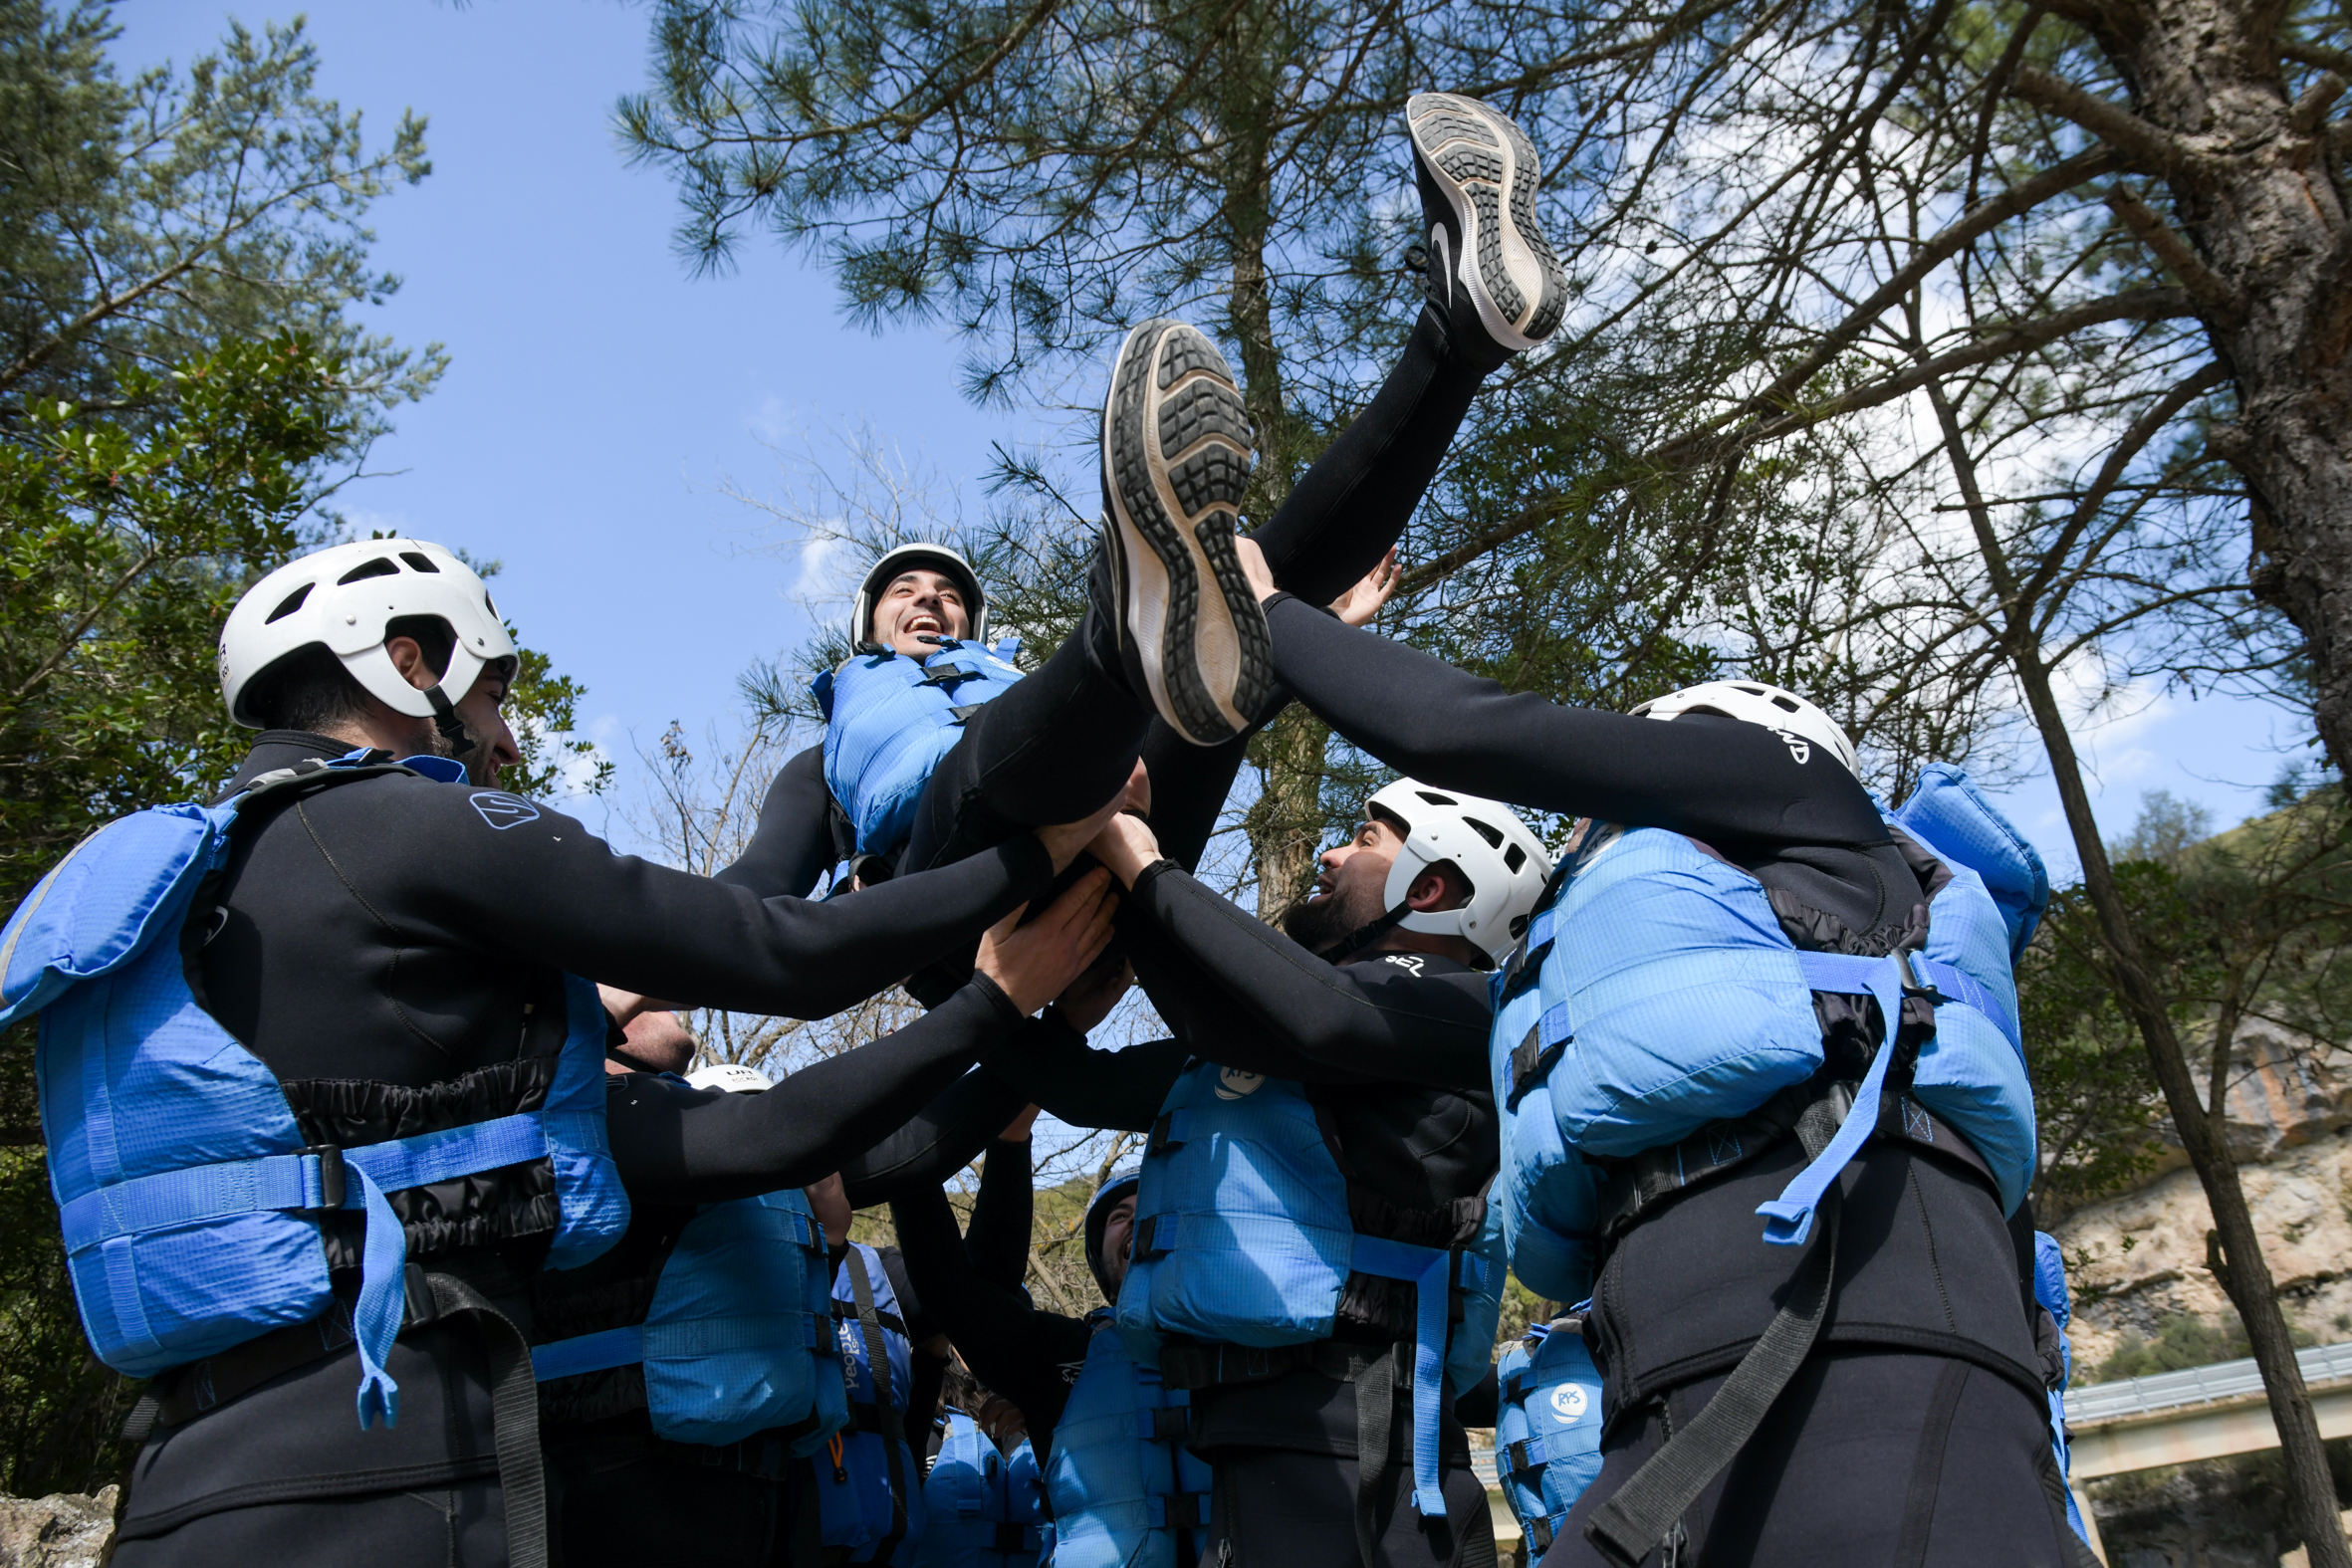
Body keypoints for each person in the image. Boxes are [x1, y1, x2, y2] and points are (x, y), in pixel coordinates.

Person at [0, 536, 1124, 1568]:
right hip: (398, 1483)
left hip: (182, 1487)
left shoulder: (163, 886)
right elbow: (781, 951)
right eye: (489, 690)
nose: (509, 735)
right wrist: (1029, 871)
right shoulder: (415, 825)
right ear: (405, 665)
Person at [1224, 538, 2080, 1566]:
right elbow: (1310, 1011)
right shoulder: (1590, 973)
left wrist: (1268, 614)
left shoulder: (1784, 783)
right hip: (1669, 1399)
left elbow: (1457, 728)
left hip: (1865, 1370)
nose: (1596, 829)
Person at [716, 90, 1570, 934]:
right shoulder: (823, 767)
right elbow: (757, 880)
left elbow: (1196, 710)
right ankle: (1130, 614)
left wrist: (1298, 628)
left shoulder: (1025, 689)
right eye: (907, 590)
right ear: (867, 626)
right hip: (970, 901)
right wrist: (643, 973)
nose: (932, 598)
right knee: (1069, 695)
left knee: (1248, 585)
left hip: (1119, 841)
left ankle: (1459, 337)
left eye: (948, 592)